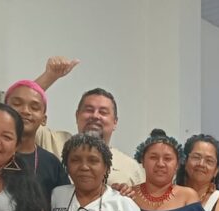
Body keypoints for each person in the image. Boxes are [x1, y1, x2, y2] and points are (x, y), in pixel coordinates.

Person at [31, 56, 145, 186]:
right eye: (89, 110)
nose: (95, 116)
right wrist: (49, 76)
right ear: (77, 116)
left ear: (115, 122)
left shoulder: (130, 167)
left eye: (103, 112)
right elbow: (17, 116)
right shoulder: (54, 142)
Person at [3, 79, 70, 204]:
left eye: (34, 107)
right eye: (17, 104)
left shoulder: (52, 164)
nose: (25, 111)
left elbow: (64, 206)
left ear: (44, 119)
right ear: (4, 110)